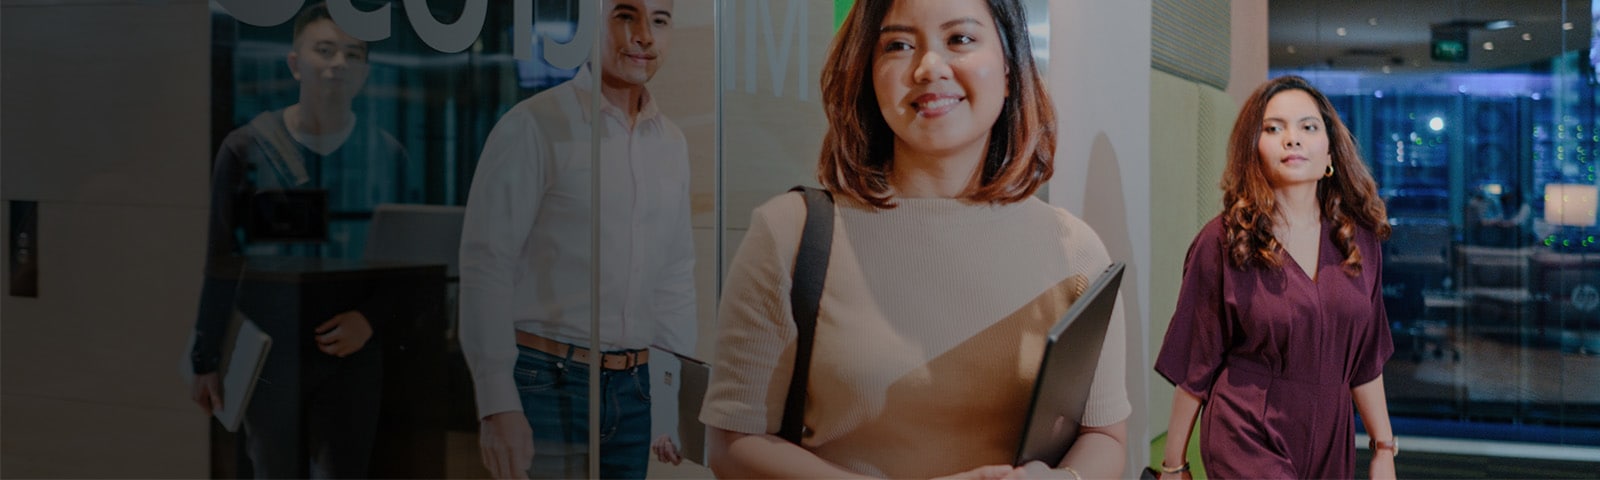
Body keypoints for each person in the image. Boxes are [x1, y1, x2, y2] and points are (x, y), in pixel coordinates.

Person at [698, 0, 1131, 478]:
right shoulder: (790, 234)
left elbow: (1104, 437)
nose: (928, 68)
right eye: (899, 45)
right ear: (868, 71)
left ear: (1008, 71)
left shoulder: (1076, 251)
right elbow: (733, 445)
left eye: (960, 39)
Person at [458, 0, 696, 478]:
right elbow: (487, 266)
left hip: (635, 387)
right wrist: (496, 403)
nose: (645, 36)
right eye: (625, 15)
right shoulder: (534, 125)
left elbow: (674, 278)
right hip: (546, 382)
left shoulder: (671, 142)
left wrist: (672, 399)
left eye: (660, 20)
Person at [187, 2, 411, 477]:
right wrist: (204, 357)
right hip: (271, 352)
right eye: (325, 50)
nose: (338, 64)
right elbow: (222, 258)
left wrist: (369, 320)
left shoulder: (386, 154)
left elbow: (407, 265)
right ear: (295, 63)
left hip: (351, 355)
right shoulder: (247, 147)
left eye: (352, 54)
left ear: (366, 72)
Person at [1153, 76, 1397, 480]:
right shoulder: (1223, 240)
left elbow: (1366, 359)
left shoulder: (1359, 241)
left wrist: (1383, 448)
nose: (1292, 139)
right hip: (1247, 430)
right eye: (1273, 128)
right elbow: (1196, 362)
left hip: (1331, 437)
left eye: (1308, 127)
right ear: (1254, 149)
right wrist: (1173, 465)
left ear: (1330, 150)